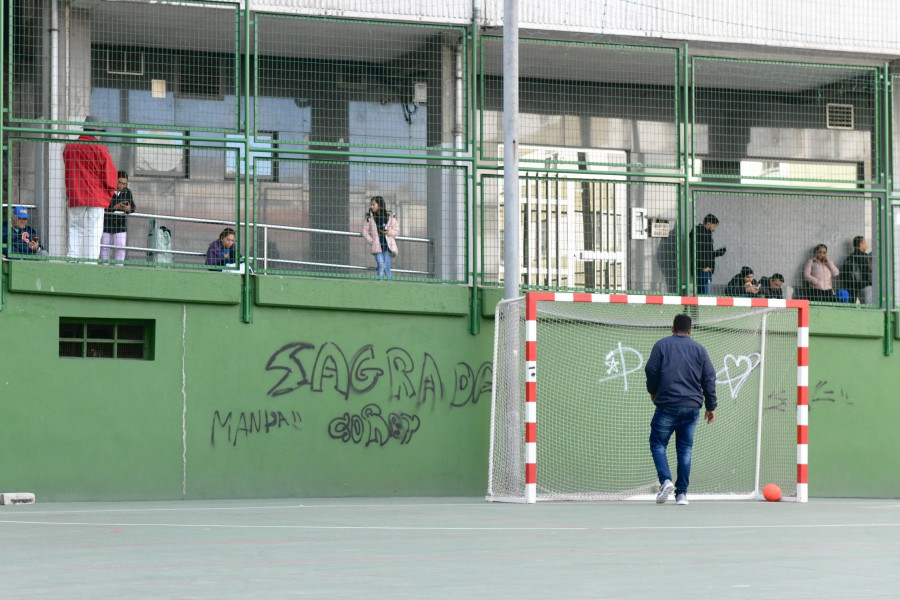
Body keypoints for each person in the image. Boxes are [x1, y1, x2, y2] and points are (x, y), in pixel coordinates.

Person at [644, 313, 717, 506]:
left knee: (658, 444)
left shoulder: (661, 345)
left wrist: (653, 391)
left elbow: (650, 370)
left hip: (667, 404)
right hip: (692, 407)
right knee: (685, 450)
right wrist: (711, 406)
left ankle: (666, 481)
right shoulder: (699, 349)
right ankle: (682, 494)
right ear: (690, 330)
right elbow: (709, 378)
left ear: (672, 328)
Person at [62, 115, 118, 261]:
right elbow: (111, 178)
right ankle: (91, 263)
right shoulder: (101, 149)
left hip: (76, 196)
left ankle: (72, 259)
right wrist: (109, 193)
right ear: (96, 130)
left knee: (75, 229)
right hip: (97, 198)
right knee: (94, 232)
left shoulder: (69, 147)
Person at [100, 171, 136, 266]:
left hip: (121, 224)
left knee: (120, 247)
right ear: (115, 180)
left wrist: (128, 209)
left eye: (124, 183)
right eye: (120, 182)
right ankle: (105, 266)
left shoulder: (127, 192)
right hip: (107, 223)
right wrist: (114, 207)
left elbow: (133, 207)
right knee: (105, 247)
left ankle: (119, 267)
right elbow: (102, 206)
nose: (122, 185)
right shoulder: (108, 190)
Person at [362, 195, 399, 280]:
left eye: (374, 204)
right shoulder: (369, 218)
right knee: (381, 265)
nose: (372, 206)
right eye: (371, 204)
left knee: (387, 267)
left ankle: (390, 285)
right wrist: (372, 241)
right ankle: (379, 285)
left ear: (379, 205)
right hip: (377, 247)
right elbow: (364, 232)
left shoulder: (389, 217)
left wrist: (388, 232)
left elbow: (396, 231)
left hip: (387, 246)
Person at [690, 214, 726, 295]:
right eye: (714, 226)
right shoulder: (700, 233)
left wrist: (718, 253)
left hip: (704, 269)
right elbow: (698, 251)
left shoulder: (705, 234)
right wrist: (704, 267)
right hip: (703, 269)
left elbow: (706, 253)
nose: (714, 229)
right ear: (708, 223)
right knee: (705, 295)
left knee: (701, 294)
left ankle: (698, 307)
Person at [840, 236, 873, 304]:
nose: (866, 245)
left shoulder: (849, 257)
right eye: (865, 242)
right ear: (860, 244)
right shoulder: (865, 257)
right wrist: (872, 283)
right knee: (868, 306)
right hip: (865, 285)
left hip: (853, 287)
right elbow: (870, 271)